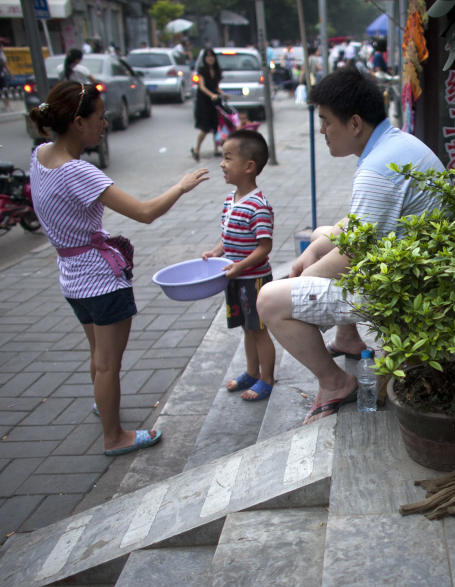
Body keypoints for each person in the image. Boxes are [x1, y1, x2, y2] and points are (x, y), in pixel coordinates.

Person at [28, 81, 208, 456]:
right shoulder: (78, 172)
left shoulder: (41, 153)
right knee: (109, 364)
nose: (104, 124)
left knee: (98, 355)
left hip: (71, 277)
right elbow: (144, 213)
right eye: (99, 117)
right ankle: (115, 436)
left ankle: (103, 404)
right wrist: (181, 186)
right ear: (77, 122)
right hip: (100, 280)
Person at [256, 67, 442, 425]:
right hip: (410, 269)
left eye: (326, 121)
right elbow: (356, 226)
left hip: (406, 292)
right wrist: (313, 251)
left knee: (270, 299)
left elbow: (354, 252)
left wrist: (302, 280)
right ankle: (348, 339)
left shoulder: (376, 170)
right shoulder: (396, 143)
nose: (322, 131)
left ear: (354, 123)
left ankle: (335, 382)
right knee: (321, 235)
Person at [202, 130, 276, 402]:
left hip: (254, 280)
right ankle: (251, 371)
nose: (222, 164)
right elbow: (229, 238)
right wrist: (216, 251)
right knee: (247, 328)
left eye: (227, 158)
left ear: (248, 167)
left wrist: (240, 266)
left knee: (259, 330)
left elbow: (264, 247)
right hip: (235, 276)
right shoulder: (229, 201)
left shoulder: (258, 206)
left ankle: (266, 379)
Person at [192, 48, 225, 161]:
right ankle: (197, 149)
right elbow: (202, 86)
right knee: (205, 128)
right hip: (204, 102)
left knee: (216, 126)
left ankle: (216, 149)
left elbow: (216, 86)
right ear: (205, 58)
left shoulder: (216, 70)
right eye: (208, 57)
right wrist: (211, 95)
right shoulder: (202, 70)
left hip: (214, 102)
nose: (210, 59)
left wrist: (222, 94)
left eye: (212, 56)